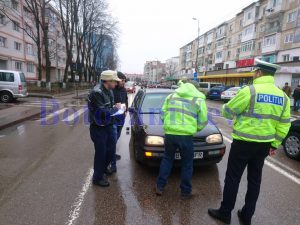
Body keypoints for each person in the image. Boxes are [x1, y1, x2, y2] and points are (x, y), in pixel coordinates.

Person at [208, 59, 291, 225]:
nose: (254, 74)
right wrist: (274, 144)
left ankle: (225, 213)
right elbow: (284, 124)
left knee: (233, 178)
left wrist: (231, 113)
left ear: (259, 73)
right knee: (255, 180)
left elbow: (228, 111)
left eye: (255, 72)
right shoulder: (283, 96)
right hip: (264, 145)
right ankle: (246, 215)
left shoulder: (250, 91)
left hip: (243, 143)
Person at [156, 81, 208, 199]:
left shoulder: (171, 96)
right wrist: (195, 128)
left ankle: (160, 186)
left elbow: (162, 113)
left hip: (170, 133)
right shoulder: (199, 100)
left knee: (167, 159)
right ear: (195, 88)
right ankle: (185, 192)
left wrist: (168, 124)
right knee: (187, 164)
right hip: (186, 136)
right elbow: (203, 121)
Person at [87, 70, 121, 187]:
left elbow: (109, 109)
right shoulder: (97, 92)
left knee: (111, 151)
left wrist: (116, 108)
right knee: (101, 153)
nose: (116, 84)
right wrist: (116, 109)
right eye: (114, 81)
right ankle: (97, 177)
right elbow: (102, 113)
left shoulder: (109, 91)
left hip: (109, 125)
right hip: (99, 128)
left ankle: (103, 168)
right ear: (107, 81)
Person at [109, 72, 128, 173]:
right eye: (122, 80)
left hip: (121, 117)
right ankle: (112, 164)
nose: (123, 82)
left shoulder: (124, 90)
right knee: (113, 140)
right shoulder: (112, 91)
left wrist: (126, 111)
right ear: (117, 80)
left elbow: (126, 100)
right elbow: (109, 105)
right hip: (114, 118)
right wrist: (115, 106)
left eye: (124, 81)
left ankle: (112, 153)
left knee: (116, 138)